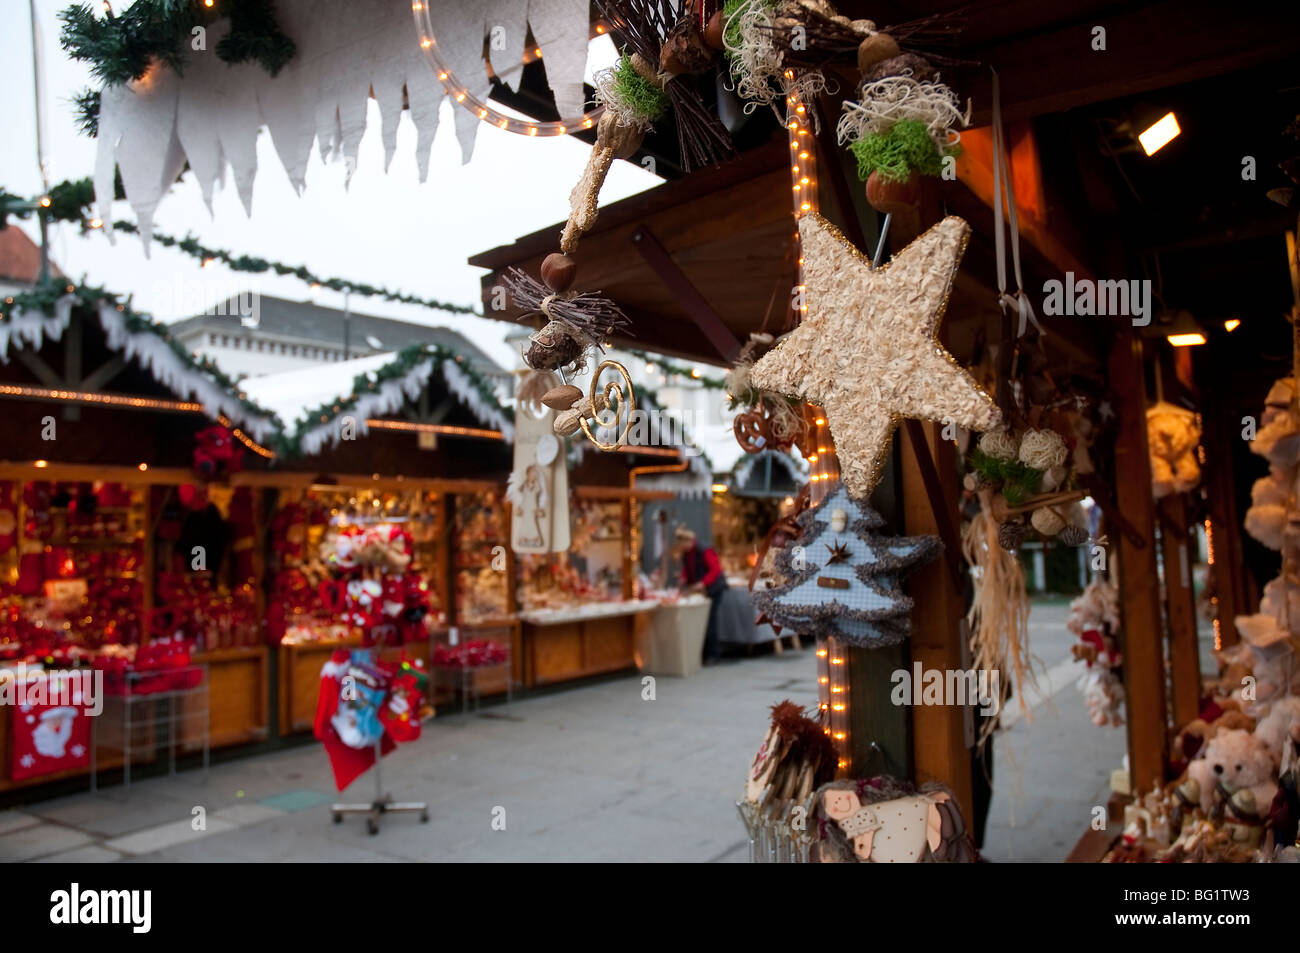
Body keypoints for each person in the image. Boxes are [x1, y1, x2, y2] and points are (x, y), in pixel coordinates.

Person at [674, 526, 729, 664]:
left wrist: (703, 583)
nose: (683, 547)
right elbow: (687, 569)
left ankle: (713, 654)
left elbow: (715, 569)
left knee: (710, 619)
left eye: (684, 544)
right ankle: (703, 652)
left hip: (713, 588)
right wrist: (683, 578)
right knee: (701, 620)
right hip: (700, 589)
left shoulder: (704, 550)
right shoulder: (687, 553)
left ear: (690, 541)